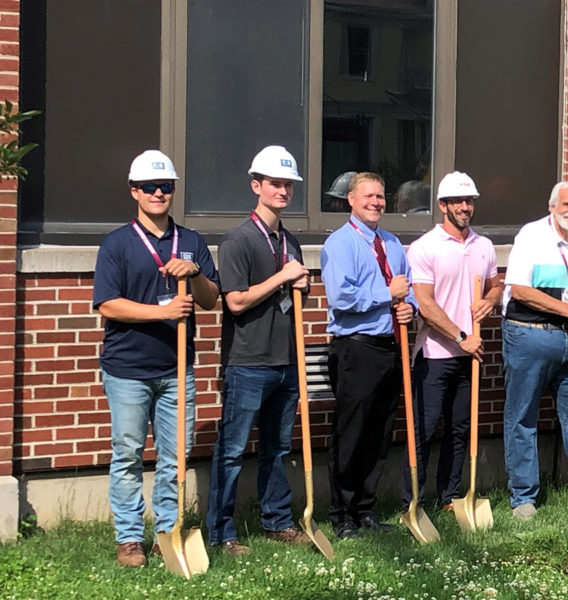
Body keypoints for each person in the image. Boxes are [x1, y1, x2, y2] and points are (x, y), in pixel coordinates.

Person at [93, 150, 219, 567]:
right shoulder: (117, 244)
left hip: (176, 369)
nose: (159, 193)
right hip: (128, 369)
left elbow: (210, 300)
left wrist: (194, 273)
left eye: (166, 187)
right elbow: (108, 305)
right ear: (135, 192)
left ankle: (169, 529)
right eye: (150, 187)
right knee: (128, 454)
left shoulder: (192, 242)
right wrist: (163, 312)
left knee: (174, 456)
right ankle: (130, 538)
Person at [205, 145, 311, 556]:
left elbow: (291, 287)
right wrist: (283, 277)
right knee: (231, 450)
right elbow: (233, 301)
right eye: (275, 183)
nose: (283, 190)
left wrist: (299, 284)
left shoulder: (291, 240)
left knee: (278, 448)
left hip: (286, 359)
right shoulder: (238, 240)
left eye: (288, 184)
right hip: (247, 362)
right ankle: (221, 530)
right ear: (256, 186)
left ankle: (277, 520)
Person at [501, 181, 568, 520]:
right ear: (552, 207)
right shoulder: (531, 236)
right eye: (566, 205)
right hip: (530, 335)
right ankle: (524, 498)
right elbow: (519, 290)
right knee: (522, 416)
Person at [320, 172, 417, 539]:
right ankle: (342, 515)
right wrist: (387, 293)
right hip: (356, 349)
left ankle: (366, 509)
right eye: (368, 196)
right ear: (351, 200)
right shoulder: (339, 244)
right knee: (352, 433)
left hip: (390, 348)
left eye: (380, 196)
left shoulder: (392, 244)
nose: (376, 202)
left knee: (379, 434)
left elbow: (405, 291)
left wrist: (409, 308)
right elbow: (341, 298)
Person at [404, 171, 501, 510]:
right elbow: (426, 305)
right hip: (434, 355)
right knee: (424, 431)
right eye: (458, 201)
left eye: (469, 201)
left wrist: (490, 301)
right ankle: (413, 501)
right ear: (442, 205)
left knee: (459, 429)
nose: (464, 207)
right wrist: (462, 337)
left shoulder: (483, 246)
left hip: (466, 355)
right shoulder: (424, 248)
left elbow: (496, 285)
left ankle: (449, 498)